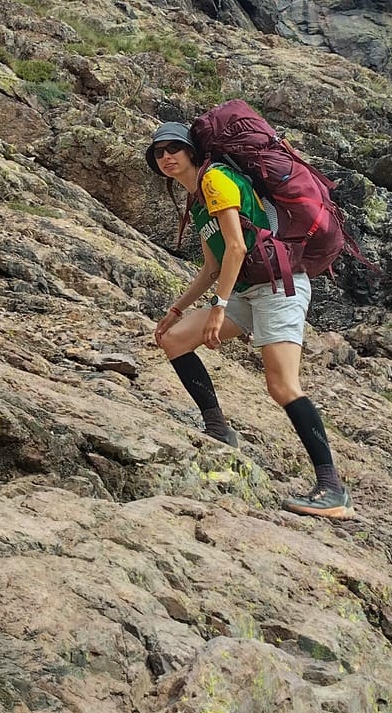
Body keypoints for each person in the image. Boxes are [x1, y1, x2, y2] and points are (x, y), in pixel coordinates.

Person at [145, 120, 354, 519]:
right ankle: (219, 429)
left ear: (192, 152)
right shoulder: (199, 198)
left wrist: (219, 307)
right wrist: (175, 310)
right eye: (159, 152)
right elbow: (212, 265)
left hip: (279, 287)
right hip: (246, 290)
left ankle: (332, 488)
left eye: (174, 148)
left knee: (282, 385)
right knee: (174, 339)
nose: (167, 157)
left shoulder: (216, 181)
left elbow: (238, 248)